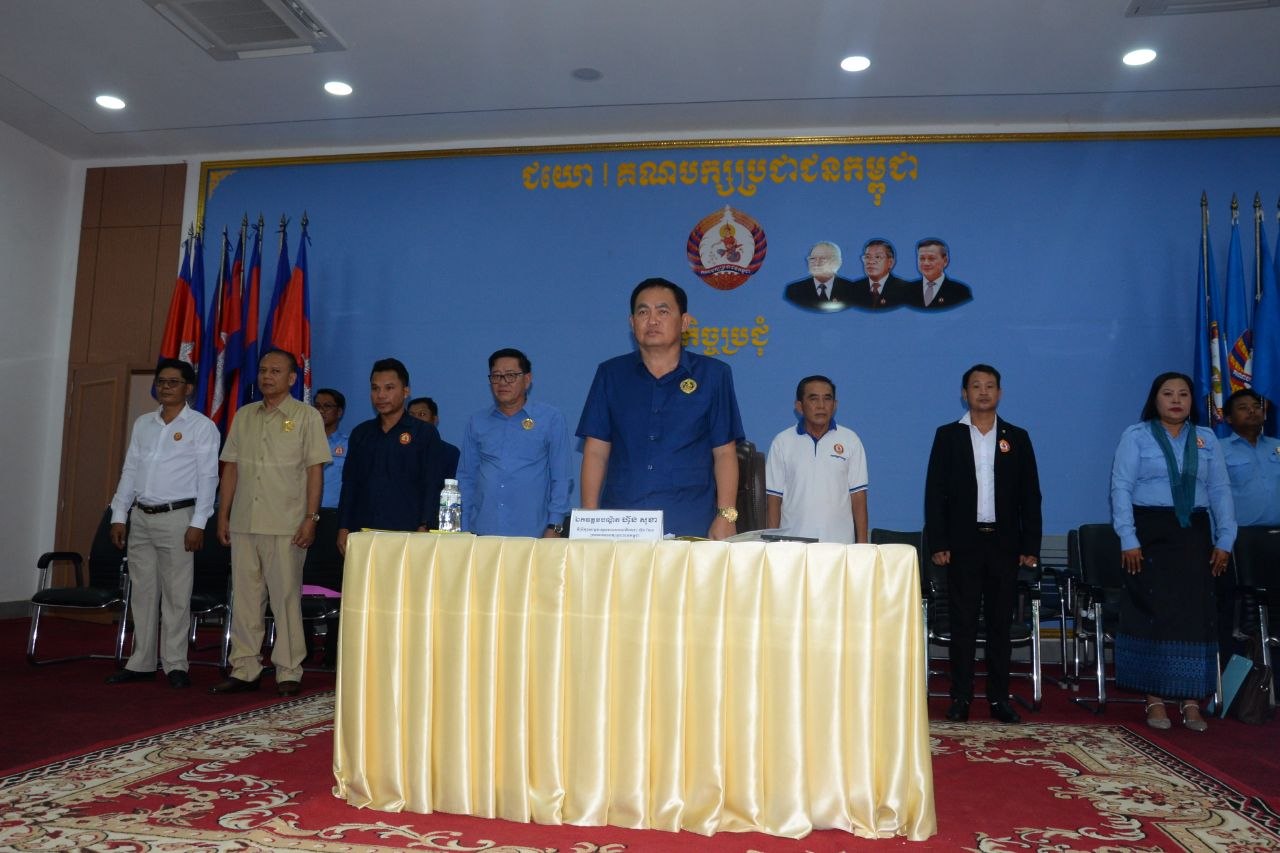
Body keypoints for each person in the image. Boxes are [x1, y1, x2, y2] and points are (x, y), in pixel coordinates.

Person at [1109, 371, 1236, 732]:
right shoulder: (1136, 436)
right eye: (1168, 394)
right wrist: (1127, 537)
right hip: (1149, 534)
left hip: (1195, 535)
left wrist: (1225, 539)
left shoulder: (1206, 439)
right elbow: (1121, 487)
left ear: (1192, 401)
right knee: (1155, 615)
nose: (1176, 400)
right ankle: (1155, 699)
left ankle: (1191, 700)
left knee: (1195, 617)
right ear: (1155, 399)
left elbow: (1221, 491)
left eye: (1183, 394)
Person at [578, 277, 745, 539]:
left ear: (685, 322)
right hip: (622, 522)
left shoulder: (714, 375)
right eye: (643, 312)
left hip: (690, 518)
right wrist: (589, 518)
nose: (652, 320)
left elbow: (724, 452)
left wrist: (726, 515)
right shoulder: (610, 374)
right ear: (632, 323)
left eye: (663, 311)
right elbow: (596, 450)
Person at [925, 364, 1041, 724]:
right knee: (962, 623)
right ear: (965, 394)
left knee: (999, 625)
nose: (984, 392)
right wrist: (939, 541)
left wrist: (1030, 545)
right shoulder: (948, 436)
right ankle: (960, 697)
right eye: (976, 386)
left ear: (1000, 393)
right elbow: (935, 493)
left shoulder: (1016, 437)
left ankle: (998, 699)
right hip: (963, 544)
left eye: (990, 386)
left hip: (1004, 545)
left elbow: (1030, 496)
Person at [213, 349, 330, 697]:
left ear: (292, 378)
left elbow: (315, 471)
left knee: (285, 599)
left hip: (286, 524)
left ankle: (289, 670)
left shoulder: (307, 417)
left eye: (276, 371)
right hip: (244, 522)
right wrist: (223, 514)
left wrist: (311, 518)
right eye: (263, 370)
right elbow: (231, 468)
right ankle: (245, 668)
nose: (267, 376)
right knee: (245, 599)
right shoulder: (244, 415)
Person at [104, 359, 219, 688]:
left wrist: (199, 523)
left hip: (179, 518)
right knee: (142, 592)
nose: (166, 387)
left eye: (173, 382)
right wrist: (119, 514)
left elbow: (208, 478)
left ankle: (175, 664)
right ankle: (141, 661)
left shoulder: (201, 427)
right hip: (141, 516)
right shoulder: (144, 424)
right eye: (161, 382)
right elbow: (130, 470)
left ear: (189, 388)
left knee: (176, 594)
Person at [337, 359, 451, 554]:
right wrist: (343, 526)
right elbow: (350, 484)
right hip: (363, 531)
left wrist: (425, 524)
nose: (381, 395)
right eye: (375, 388)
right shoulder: (361, 433)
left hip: (409, 532)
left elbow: (432, 484)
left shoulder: (424, 433)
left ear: (406, 391)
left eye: (389, 388)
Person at [457, 348, 572, 537]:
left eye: (510, 375)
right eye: (496, 376)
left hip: (533, 534)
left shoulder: (551, 418)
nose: (503, 382)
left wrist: (555, 526)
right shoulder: (477, 421)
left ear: (527, 379)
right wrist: (463, 527)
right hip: (483, 532)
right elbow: (466, 478)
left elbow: (561, 478)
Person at [764, 375, 869, 543]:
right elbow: (774, 500)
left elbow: (858, 497)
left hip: (839, 545)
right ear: (799, 406)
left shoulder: (850, 440)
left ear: (835, 405)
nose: (821, 405)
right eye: (813, 399)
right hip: (792, 545)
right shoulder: (782, 442)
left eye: (827, 399)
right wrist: (772, 544)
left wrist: (863, 545)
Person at [783, 241, 855, 312]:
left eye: (823, 259)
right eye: (812, 259)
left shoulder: (852, 290)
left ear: (836, 262)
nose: (816, 263)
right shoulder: (794, 290)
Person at [905, 238, 972, 309]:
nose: (926, 263)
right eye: (922, 259)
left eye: (931, 258)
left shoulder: (960, 291)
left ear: (945, 261)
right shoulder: (907, 290)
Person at [847, 239, 910, 309]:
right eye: (867, 257)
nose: (871, 261)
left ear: (890, 262)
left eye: (877, 257)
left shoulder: (905, 289)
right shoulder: (853, 289)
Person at [409, 396, 460, 478]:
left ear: (435, 420)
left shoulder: (450, 453)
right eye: (411, 415)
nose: (416, 419)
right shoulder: (398, 449)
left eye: (422, 414)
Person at [314, 388, 348, 509]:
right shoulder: (303, 442)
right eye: (317, 406)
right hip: (305, 511)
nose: (320, 410)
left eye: (327, 406)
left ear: (339, 412)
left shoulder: (349, 445)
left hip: (335, 512)